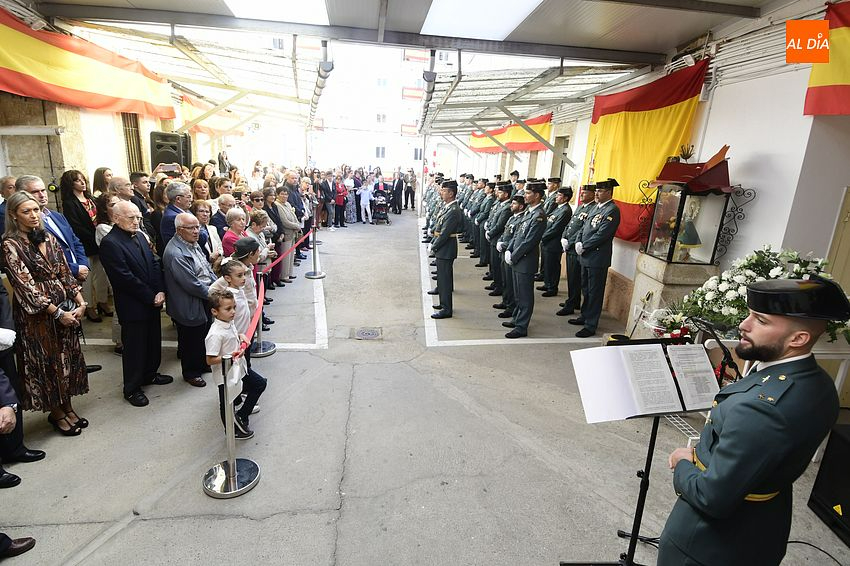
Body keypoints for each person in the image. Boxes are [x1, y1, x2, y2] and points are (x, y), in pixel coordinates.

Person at [658, 276, 850, 566]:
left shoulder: (763, 409)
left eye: (760, 320)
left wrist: (683, 461)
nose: (744, 325)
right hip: (761, 530)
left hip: (706, 548)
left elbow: (712, 497)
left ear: (798, 339)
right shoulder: (820, 384)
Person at [1, 192, 89, 434]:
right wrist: (58, 313)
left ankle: (68, 406)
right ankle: (56, 413)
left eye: (35, 210)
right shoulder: (10, 244)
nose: (33, 215)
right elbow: (25, 287)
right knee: (47, 363)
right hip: (37, 315)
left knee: (67, 359)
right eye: (26, 211)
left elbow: (64, 273)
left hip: (65, 306)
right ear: (13, 215)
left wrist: (81, 302)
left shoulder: (48, 237)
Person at [98, 201, 172, 407]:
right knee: (135, 348)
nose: (136, 221)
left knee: (152, 341)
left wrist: (160, 290)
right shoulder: (110, 243)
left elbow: (155, 261)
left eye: (138, 217)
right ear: (115, 218)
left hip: (151, 299)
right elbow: (124, 277)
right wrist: (151, 295)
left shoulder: (139, 235)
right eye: (131, 217)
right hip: (133, 304)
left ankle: (150, 374)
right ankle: (132, 388)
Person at [163, 213, 216, 388]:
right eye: (191, 228)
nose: (196, 231)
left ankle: (202, 363)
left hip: (204, 296)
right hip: (188, 302)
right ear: (179, 230)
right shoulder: (175, 253)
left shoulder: (192, 244)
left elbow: (206, 268)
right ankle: (191, 372)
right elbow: (191, 284)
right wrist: (215, 293)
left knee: (204, 333)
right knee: (190, 339)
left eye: (197, 227)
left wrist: (216, 283)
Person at [206, 286, 266, 439]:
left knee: (259, 384)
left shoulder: (228, 321)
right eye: (228, 309)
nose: (233, 311)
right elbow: (209, 359)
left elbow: (232, 333)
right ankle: (232, 431)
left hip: (239, 368)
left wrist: (240, 335)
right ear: (214, 311)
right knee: (226, 403)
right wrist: (229, 357)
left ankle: (241, 415)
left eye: (234, 307)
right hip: (225, 375)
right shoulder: (215, 334)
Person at [570, 178, 621, 338]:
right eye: (596, 191)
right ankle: (584, 316)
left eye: (600, 191)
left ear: (609, 193)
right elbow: (583, 227)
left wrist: (584, 245)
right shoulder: (595, 208)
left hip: (597, 257)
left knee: (595, 292)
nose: (597, 194)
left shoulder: (612, 210)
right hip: (586, 256)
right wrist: (578, 240)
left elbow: (602, 234)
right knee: (586, 288)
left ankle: (591, 324)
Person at [59, 170, 111, 323]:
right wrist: (95, 235)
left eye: (83, 179)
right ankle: (89, 307)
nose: (82, 182)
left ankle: (102, 302)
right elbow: (75, 226)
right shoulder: (70, 203)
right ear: (70, 184)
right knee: (87, 279)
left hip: (99, 243)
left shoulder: (90, 198)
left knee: (101, 275)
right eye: (77, 180)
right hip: (86, 244)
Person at [503, 182, 547, 338]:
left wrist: (514, 255)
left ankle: (522, 327)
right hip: (518, 259)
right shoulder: (529, 212)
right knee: (517, 294)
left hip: (525, 261)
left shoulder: (539, 215)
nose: (525, 196)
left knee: (525, 296)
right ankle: (516, 318)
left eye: (528, 193)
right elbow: (517, 235)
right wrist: (509, 249)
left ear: (536, 196)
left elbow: (529, 241)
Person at [557, 184, 596, 317]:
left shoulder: (592, 208)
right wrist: (564, 237)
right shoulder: (581, 207)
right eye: (581, 192)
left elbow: (583, 229)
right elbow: (570, 224)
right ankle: (573, 301)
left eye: (585, 193)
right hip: (570, 246)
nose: (581, 195)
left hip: (576, 248)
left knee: (575, 278)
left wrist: (572, 241)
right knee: (571, 277)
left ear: (592, 194)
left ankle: (572, 303)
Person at [428, 180, 463, 320]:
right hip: (443, 248)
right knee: (442, 279)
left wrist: (434, 245)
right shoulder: (447, 207)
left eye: (444, 191)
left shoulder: (454, 210)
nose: (441, 193)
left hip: (446, 248)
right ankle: (443, 304)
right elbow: (439, 226)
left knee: (445, 280)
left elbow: (445, 233)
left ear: (451, 193)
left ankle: (446, 309)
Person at [538, 187, 573, 297]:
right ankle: (547, 283)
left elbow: (556, 228)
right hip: (547, 241)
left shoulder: (565, 210)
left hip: (554, 242)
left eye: (559, 196)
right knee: (547, 264)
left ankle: (552, 287)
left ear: (565, 198)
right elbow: (549, 221)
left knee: (553, 265)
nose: (556, 197)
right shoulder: (558, 208)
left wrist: (543, 237)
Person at [159, 182, 193, 249]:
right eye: (188, 197)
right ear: (178, 199)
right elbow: (198, 237)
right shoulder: (173, 217)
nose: (191, 200)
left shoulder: (183, 210)